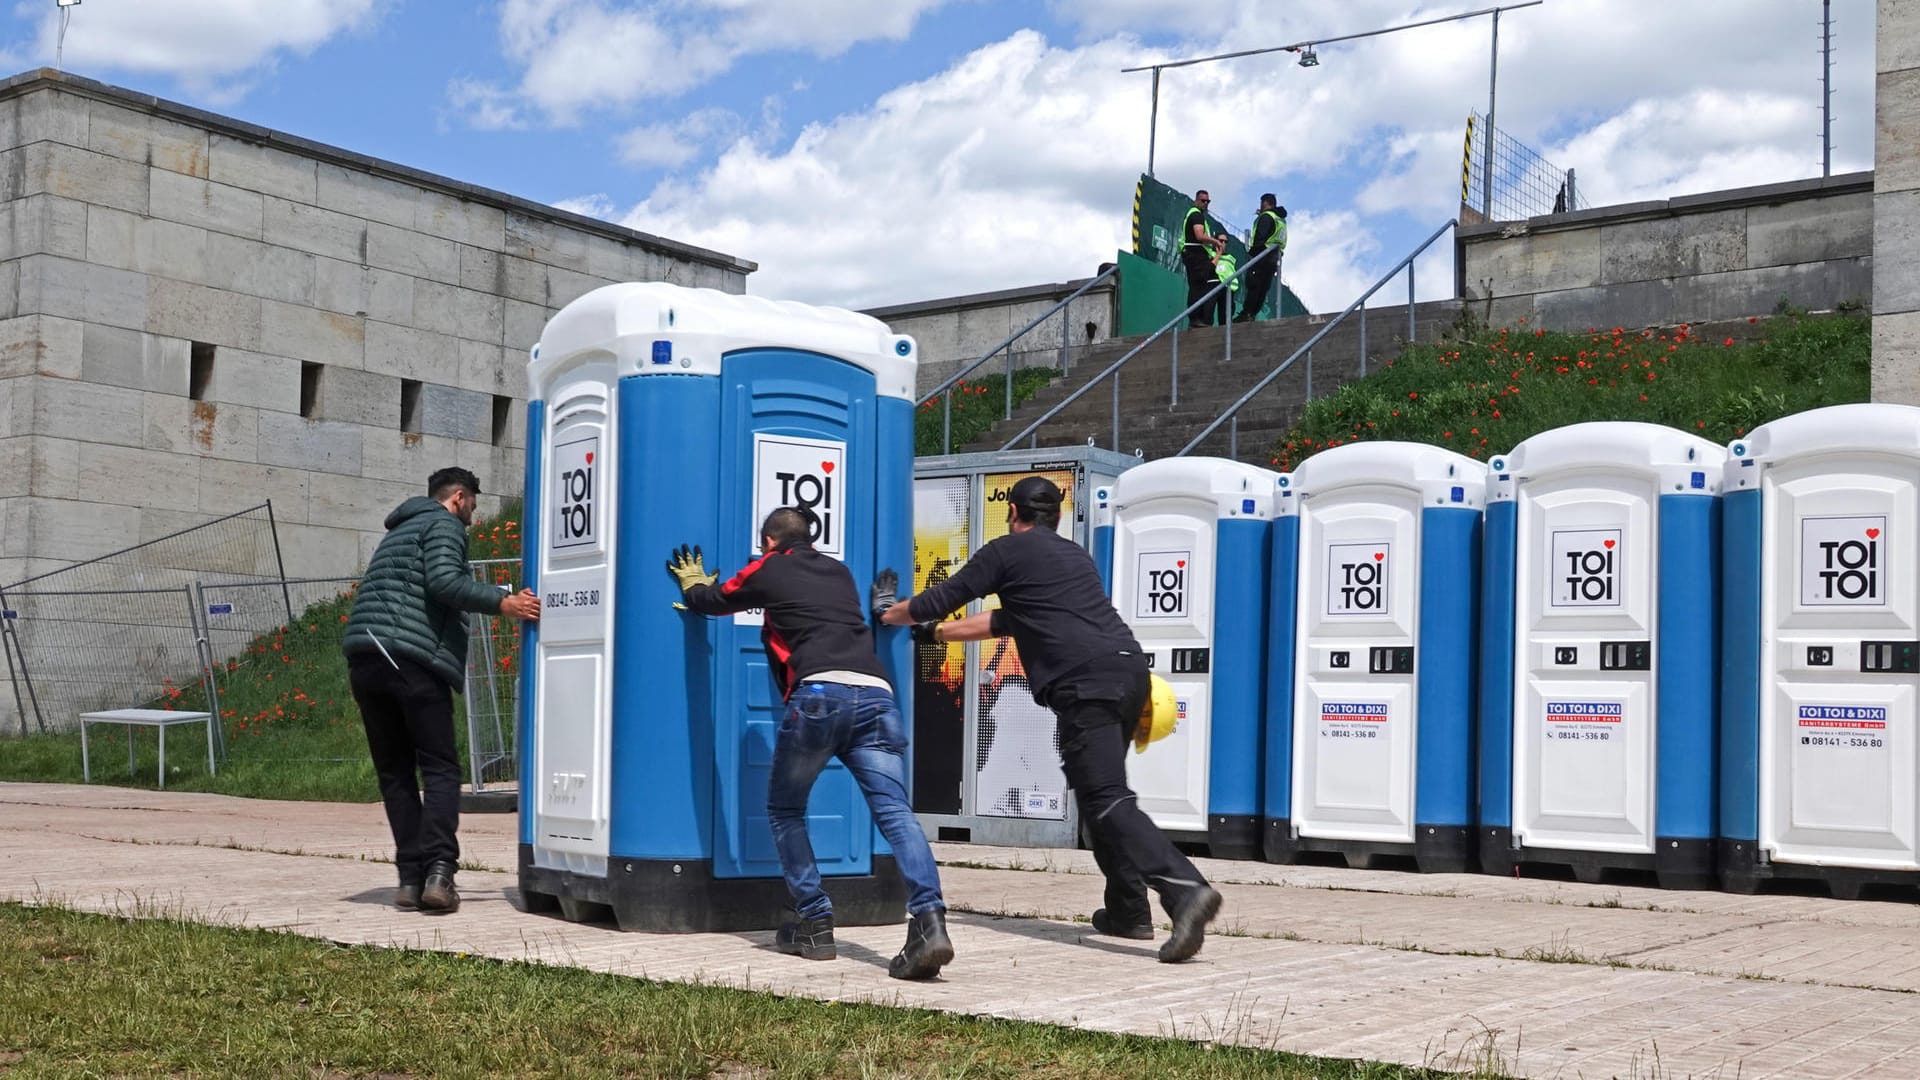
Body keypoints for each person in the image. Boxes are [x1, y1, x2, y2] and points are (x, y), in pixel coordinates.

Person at [878, 476, 1223, 963]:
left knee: (1105, 797)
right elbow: (1003, 621)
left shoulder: (1006, 552)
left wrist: (889, 614)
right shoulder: (1072, 557)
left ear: (1012, 513)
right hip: (1128, 673)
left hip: (1086, 684)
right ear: (1056, 517)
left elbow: (942, 597)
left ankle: (1184, 888)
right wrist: (937, 635)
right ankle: (1128, 911)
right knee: (1101, 794)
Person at [667, 509, 953, 981]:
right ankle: (929, 921)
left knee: (785, 809)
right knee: (897, 815)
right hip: (878, 697)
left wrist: (695, 587)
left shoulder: (771, 565)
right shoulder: (839, 571)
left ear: (767, 540)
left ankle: (814, 923)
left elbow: (715, 600)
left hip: (821, 696)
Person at [343, 466, 540, 915]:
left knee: (395, 774)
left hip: (365, 659)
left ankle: (410, 881)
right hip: (410, 661)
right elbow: (444, 582)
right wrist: (504, 602)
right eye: (473, 501)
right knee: (440, 770)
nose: (474, 510)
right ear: (457, 497)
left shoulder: (401, 529)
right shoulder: (444, 524)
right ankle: (439, 873)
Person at [1235, 196, 1286, 323]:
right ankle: (1251, 314)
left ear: (1265, 203)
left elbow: (1260, 237)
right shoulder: (1280, 219)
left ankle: (1246, 314)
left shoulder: (1266, 217)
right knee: (1263, 288)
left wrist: (1252, 254)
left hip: (1262, 255)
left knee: (1254, 285)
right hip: (1274, 257)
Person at [1181, 190, 1227, 328]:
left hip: (1193, 254)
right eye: (1203, 200)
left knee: (1199, 286)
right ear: (1196, 200)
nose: (1205, 203)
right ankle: (1195, 318)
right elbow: (1199, 236)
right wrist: (1215, 242)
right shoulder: (1196, 215)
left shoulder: (1196, 214)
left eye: (1208, 201)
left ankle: (1197, 318)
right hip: (1195, 255)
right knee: (1197, 286)